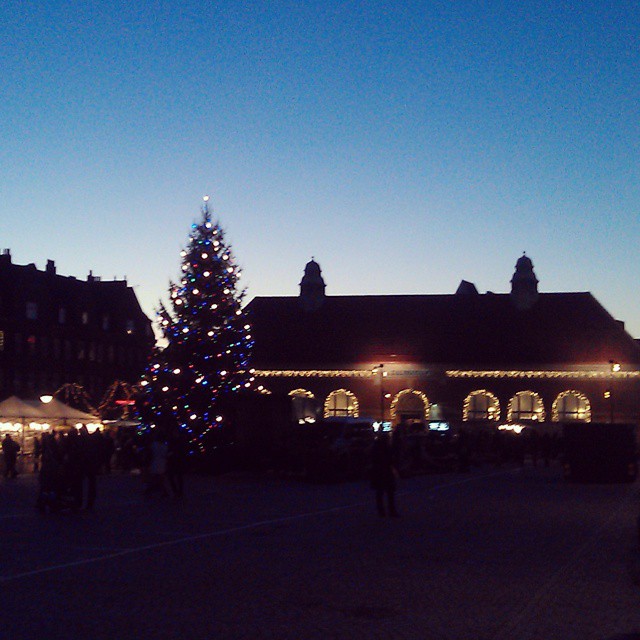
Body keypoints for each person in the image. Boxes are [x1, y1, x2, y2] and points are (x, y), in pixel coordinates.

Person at [370, 431, 399, 517]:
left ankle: (381, 511)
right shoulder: (387, 448)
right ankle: (391, 510)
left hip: (378, 471)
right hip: (386, 470)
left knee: (380, 492)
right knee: (389, 492)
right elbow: (391, 459)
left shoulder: (375, 447)